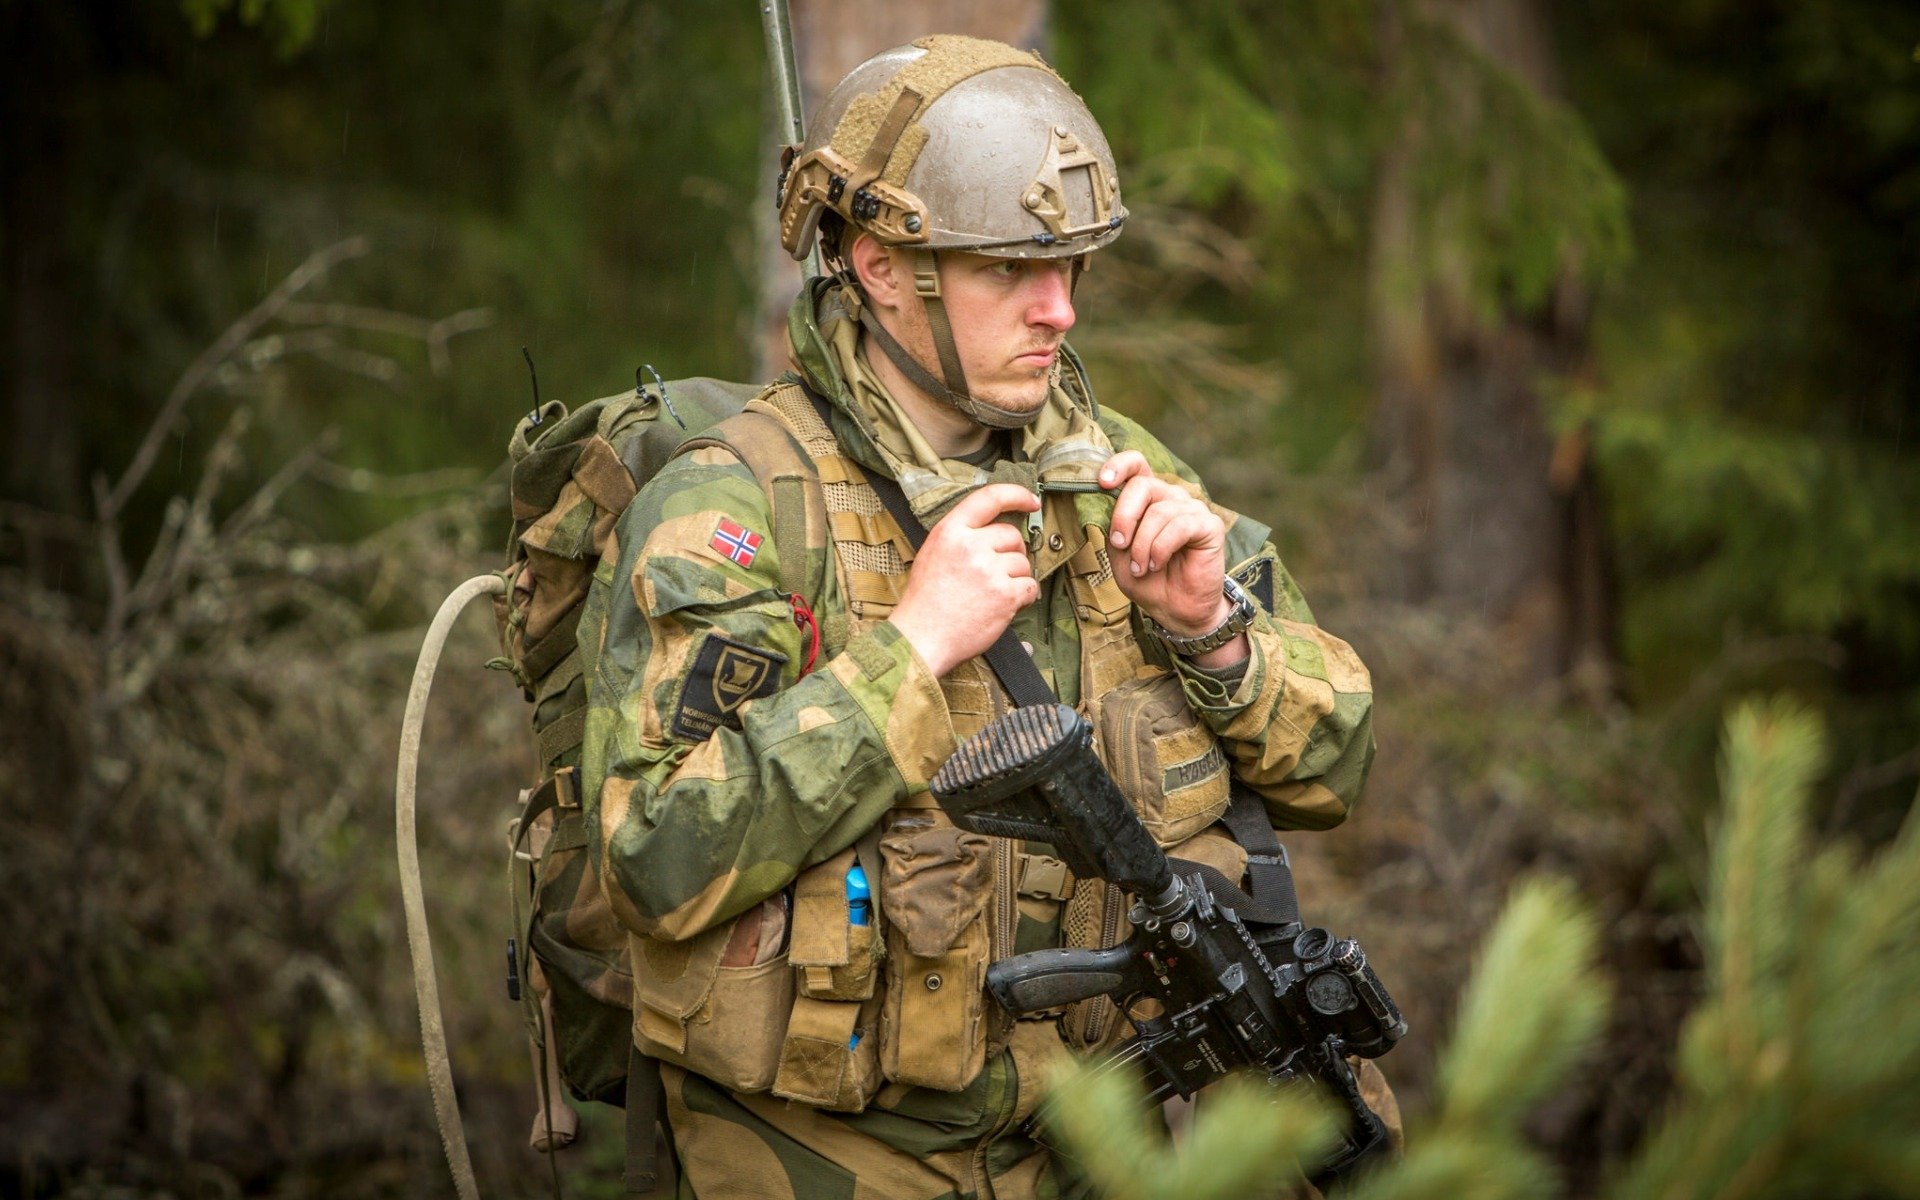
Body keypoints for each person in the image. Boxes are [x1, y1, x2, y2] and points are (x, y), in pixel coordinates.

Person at [579, 34, 1377, 1200]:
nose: (1058, 312)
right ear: (879, 265)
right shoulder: (733, 507)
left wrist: (1212, 631)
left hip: (1113, 1147)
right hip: (832, 1156)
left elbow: (1335, 766)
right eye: (1010, 269)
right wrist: (909, 651)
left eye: (1073, 270)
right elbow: (652, 857)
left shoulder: (1125, 480)